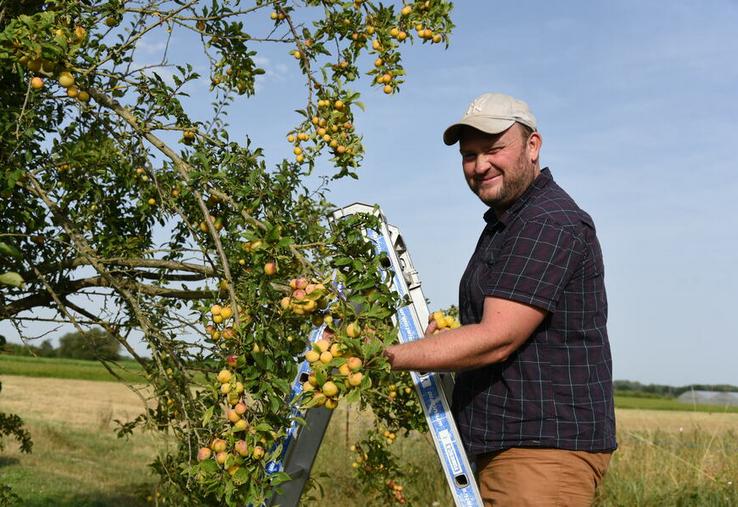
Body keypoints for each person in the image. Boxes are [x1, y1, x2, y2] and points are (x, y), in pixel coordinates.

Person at [383, 92, 617, 506]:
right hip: (513, 449)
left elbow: (498, 337)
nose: (479, 165)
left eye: (493, 149)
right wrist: (447, 342)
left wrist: (388, 355)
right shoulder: (511, 223)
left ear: (532, 146)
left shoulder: (548, 221)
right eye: (468, 155)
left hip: (540, 456)